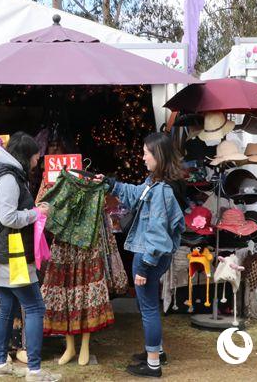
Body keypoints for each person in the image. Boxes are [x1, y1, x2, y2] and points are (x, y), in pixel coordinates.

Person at [0, 131, 62, 382]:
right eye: (36, 157)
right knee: (35, 307)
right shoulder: (8, 178)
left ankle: (1, 363)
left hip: (3, 254)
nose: (37, 162)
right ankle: (34, 370)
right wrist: (36, 213)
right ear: (25, 157)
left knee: (8, 307)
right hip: (11, 255)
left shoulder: (2, 172)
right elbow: (8, 217)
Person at [100, 133, 186, 378]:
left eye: (146, 152)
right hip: (150, 255)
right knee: (146, 305)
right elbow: (135, 193)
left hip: (148, 256)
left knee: (148, 308)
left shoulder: (161, 190)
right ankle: (157, 353)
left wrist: (144, 267)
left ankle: (152, 365)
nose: (143, 156)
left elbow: (158, 234)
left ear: (158, 155)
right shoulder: (156, 183)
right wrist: (110, 183)